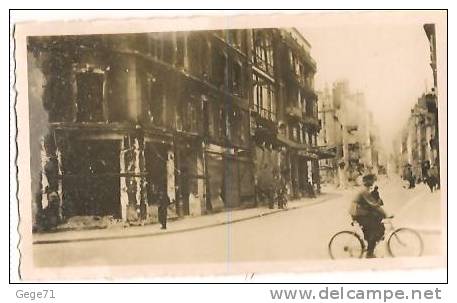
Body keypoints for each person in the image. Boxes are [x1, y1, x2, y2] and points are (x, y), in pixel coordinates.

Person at [349, 174, 388, 258]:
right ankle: (369, 253)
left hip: (360, 212)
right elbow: (373, 205)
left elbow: (372, 203)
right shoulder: (364, 191)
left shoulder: (366, 190)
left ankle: (370, 245)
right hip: (358, 213)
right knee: (374, 229)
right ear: (368, 182)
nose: (373, 182)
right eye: (372, 181)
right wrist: (384, 213)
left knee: (376, 223)